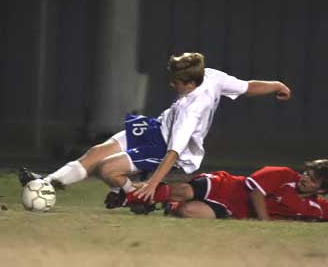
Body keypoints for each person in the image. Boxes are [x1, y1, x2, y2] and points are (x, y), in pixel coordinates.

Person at [20, 52, 291, 208]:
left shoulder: (190, 110)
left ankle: (136, 195)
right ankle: (47, 183)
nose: (172, 83)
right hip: (157, 128)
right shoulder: (210, 75)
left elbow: (174, 152)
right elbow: (247, 86)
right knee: (96, 151)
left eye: (175, 81)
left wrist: (151, 184)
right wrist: (277, 84)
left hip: (166, 148)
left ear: (188, 84)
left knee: (107, 169)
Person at [126, 159, 328, 227]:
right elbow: (253, 190)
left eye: (313, 179)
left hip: (233, 211)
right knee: (183, 191)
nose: (305, 179)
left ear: (321, 189)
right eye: (308, 173)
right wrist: (265, 222)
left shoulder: (315, 208)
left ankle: (164, 207)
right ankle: (129, 195)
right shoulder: (282, 174)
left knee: (189, 212)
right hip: (226, 186)